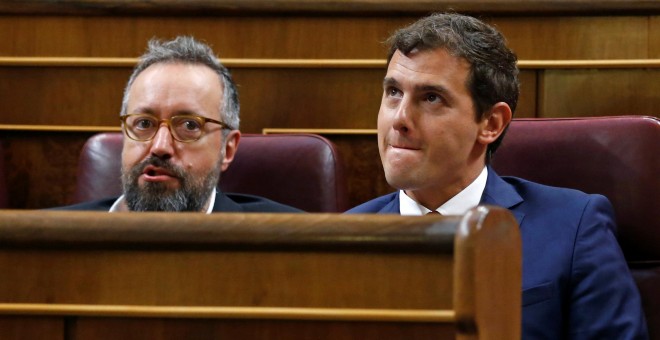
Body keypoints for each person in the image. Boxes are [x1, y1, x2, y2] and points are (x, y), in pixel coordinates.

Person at [346, 13, 648, 339]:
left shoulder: (573, 227)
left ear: (491, 123)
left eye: (431, 97)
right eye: (393, 92)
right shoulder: (343, 238)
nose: (400, 119)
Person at [57, 36, 300, 213]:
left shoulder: (290, 241)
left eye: (189, 126)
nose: (159, 147)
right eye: (144, 123)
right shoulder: (50, 241)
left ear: (227, 149)